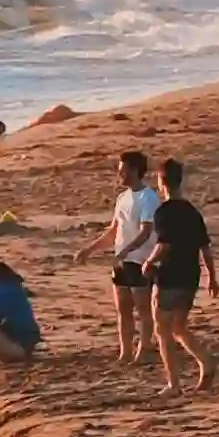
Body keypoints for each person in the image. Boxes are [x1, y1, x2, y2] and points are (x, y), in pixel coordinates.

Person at [73, 151, 160, 364]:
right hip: (121, 261)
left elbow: (146, 231)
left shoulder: (148, 197)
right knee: (123, 309)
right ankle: (125, 352)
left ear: (133, 171)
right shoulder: (123, 197)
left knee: (143, 309)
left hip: (140, 260)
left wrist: (127, 250)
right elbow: (114, 231)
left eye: (122, 170)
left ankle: (144, 349)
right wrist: (90, 249)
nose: (119, 175)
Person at [142, 160, 219, 395]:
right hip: (190, 276)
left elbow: (164, 244)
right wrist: (212, 278)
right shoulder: (192, 212)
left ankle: (173, 384)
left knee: (162, 330)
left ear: (162, 182)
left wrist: (149, 261)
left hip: (170, 275)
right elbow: (205, 248)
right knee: (179, 327)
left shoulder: (164, 212)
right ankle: (206, 362)